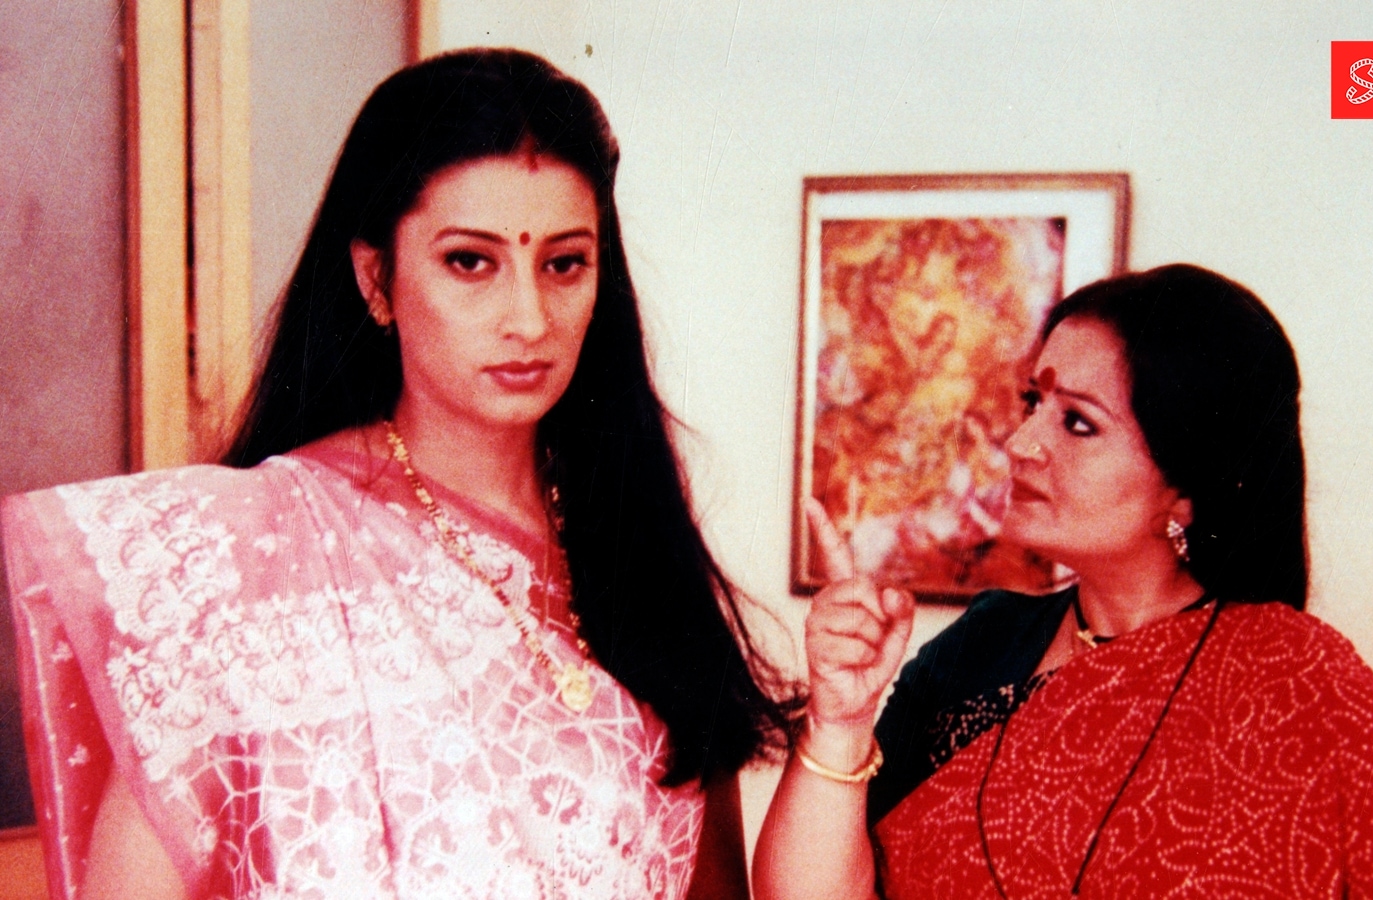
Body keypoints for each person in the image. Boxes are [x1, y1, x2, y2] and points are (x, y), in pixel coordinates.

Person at [2, 48, 794, 900]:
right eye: (470, 262)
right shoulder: (250, 555)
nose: (529, 318)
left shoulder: (635, 536)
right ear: (376, 278)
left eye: (563, 263)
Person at [752, 264, 1373, 899]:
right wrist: (841, 722)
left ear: (1187, 488)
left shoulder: (1308, 702)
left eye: (1077, 423)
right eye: (1032, 402)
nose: (1022, 444)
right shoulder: (983, 647)